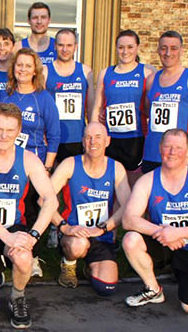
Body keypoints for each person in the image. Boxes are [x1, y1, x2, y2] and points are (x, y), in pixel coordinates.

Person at [0, 103, 58, 329]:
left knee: (25, 257)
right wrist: (7, 238)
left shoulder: (28, 159)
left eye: (10, 130)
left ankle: (18, 296)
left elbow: (51, 199)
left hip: (13, 226)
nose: (4, 135)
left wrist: (32, 236)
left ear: (18, 132)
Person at [122, 129, 188, 315]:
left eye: (178, 147)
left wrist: (178, 233)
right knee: (130, 239)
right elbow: (129, 220)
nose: (172, 152)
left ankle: (183, 273)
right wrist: (163, 233)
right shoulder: (147, 181)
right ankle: (153, 290)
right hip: (163, 241)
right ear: (160, 149)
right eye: (167, 146)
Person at [47, 122, 130, 295]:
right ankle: (69, 263)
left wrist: (104, 228)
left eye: (98, 137)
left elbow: (127, 206)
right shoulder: (70, 164)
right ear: (83, 141)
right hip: (74, 234)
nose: (93, 142)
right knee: (78, 245)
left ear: (107, 141)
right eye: (88, 137)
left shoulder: (116, 168)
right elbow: (43, 200)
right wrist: (64, 226)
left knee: (106, 288)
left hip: (101, 235)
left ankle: (90, 267)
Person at [0, 47, 60, 275]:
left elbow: (54, 134)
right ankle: (6, 250)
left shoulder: (43, 98)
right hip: (7, 163)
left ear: (35, 70)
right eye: (19, 65)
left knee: (34, 209)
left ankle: (34, 256)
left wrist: (47, 166)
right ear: (13, 69)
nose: (23, 69)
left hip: (35, 164)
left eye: (27, 65)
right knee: (12, 209)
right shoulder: (5, 95)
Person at [140, 31, 188, 174]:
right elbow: (147, 112)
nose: (168, 53)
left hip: (179, 158)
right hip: (151, 155)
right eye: (163, 48)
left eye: (174, 48)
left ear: (182, 50)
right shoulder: (151, 80)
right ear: (158, 50)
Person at [90, 30, 156, 186]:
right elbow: (97, 106)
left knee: (134, 186)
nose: (125, 51)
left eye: (130, 47)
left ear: (137, 47)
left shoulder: (147, 72)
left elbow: (162, 92)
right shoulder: (106, 73)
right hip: (111, 139)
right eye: (121, 47)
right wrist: (94, 132)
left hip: (136, 138)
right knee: (111, 184)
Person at [44, 28, 94, 163]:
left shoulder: (85, 71)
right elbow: (40, 106)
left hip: (77, 137)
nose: (65, 49)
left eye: (69, 45)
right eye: (61, 45)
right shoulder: (45, 71)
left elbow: (91, 108)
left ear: (75, 47)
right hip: (53, 137)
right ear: (55, 46)